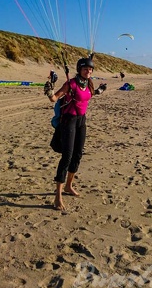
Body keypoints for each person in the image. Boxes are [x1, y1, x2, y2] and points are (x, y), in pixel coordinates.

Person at [44, 57, 107, 211]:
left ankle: (68, 186)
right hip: (69, 121)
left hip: (81, 121)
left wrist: (100, 90)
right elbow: (54, 98)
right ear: (79, 69)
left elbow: (89, 95)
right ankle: (57, 196)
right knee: (67, 156)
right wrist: (49, 91)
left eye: (91, 70)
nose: (89, 72)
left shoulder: (89, 83)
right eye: (86, 69)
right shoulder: (70, 84)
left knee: (78, 154)